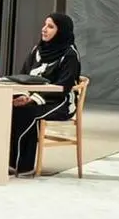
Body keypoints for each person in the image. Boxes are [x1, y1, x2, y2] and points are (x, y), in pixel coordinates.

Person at [9, 13, 81, 176]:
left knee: (26, 113)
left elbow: (63, 86)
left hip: (61, 102)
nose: (44, 29)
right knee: (7, 107)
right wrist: (22, 95)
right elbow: (24, 75)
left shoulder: (69, 54)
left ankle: (23, 166)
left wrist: (33, 100)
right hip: (33, 97)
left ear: (61, 31)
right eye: (45, 25)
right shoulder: (38, 49)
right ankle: (6, 160)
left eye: (50, 26)